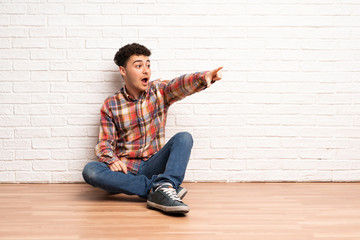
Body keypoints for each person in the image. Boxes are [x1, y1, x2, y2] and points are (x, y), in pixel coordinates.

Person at [82, 43, 222, 214]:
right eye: (139, 65)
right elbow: (104, 143)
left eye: (148, 65)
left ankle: (162, 185)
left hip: (153, 165)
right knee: (91, 170)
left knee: (184, 137)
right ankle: (161, 187)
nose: (146, 70)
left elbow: (178, 84)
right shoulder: (111, 105)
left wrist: (203, 77)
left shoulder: (159, 91)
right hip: (126, 171)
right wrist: (112, 160)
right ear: (123, 71)